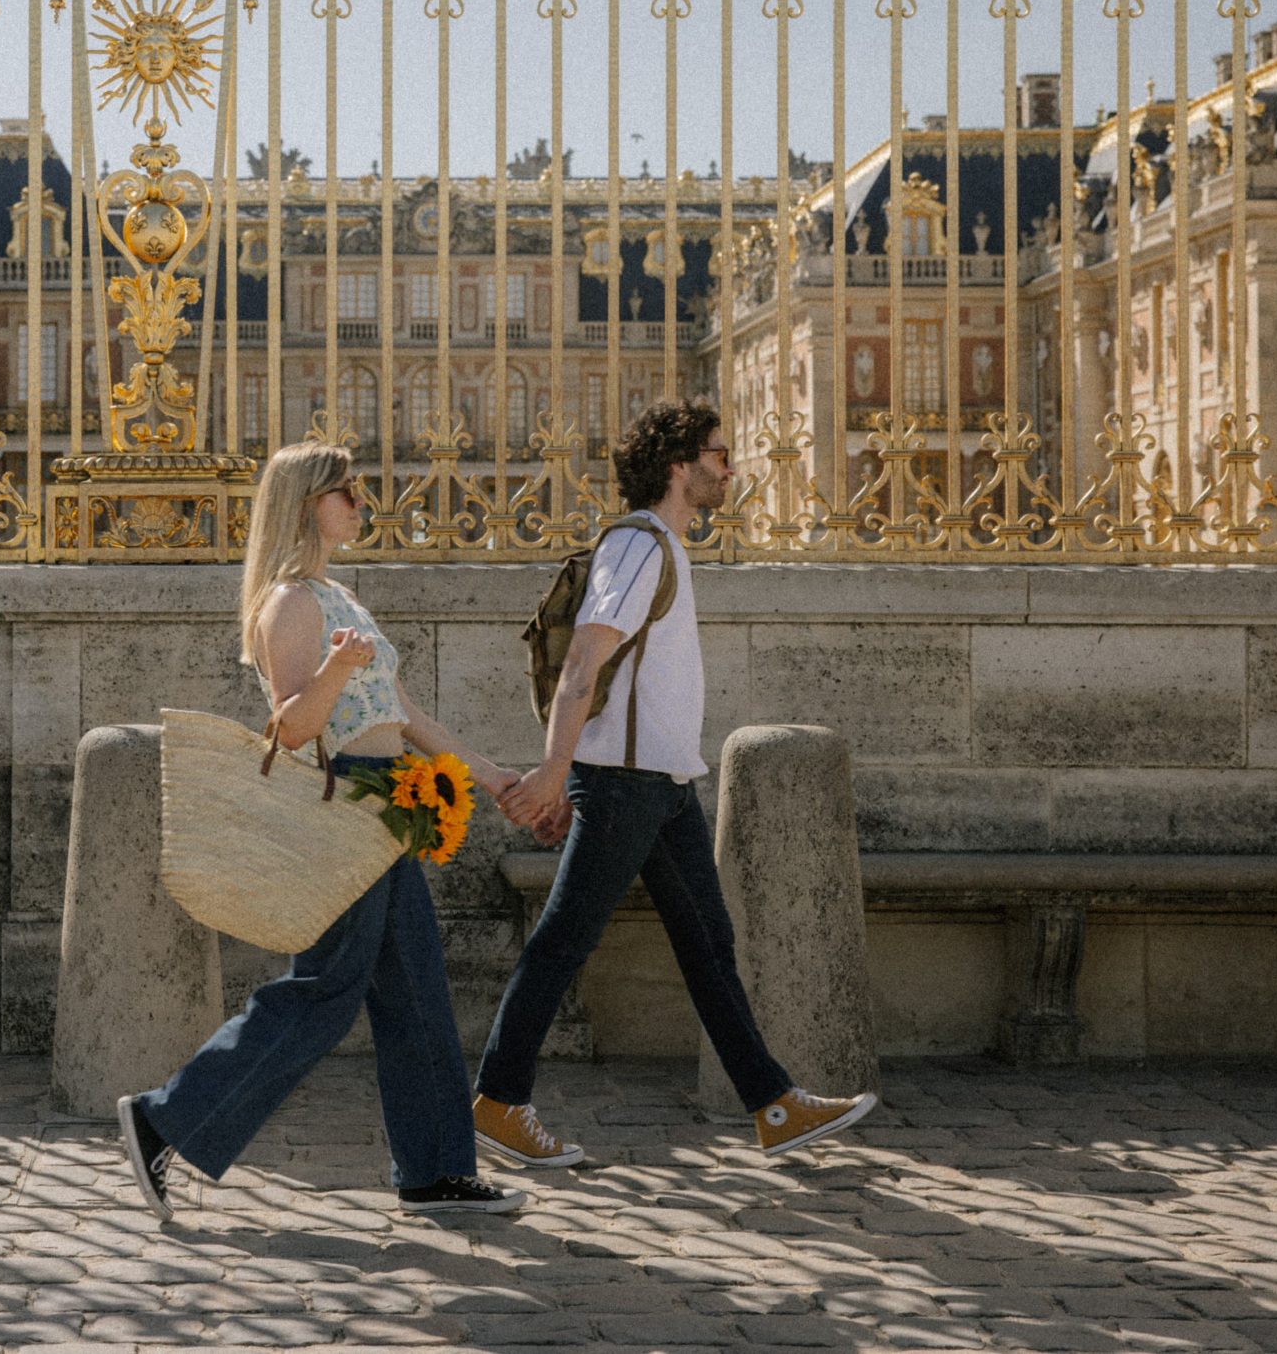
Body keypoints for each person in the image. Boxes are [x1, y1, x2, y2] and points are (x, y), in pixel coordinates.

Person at [119, 442, 532, 1222]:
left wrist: (494, 774)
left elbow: (407, 718)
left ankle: (436, 1171)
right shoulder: (289, 604)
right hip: (344, 809)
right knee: (322, 992)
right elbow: (292, 725)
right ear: (309, 499)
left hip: (389, 809)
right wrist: (337, 671)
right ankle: (164, 1118)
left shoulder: (339, 596)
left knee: (415, 994)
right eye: (348, 489)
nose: (361, 500)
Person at [477, 401, 877, 1168]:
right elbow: (582, 662)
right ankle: (498, 1100)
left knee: (708, 943)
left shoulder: (663, 548)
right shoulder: (638, 547)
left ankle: (773, 1105)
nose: (731, 468)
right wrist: (557, 771)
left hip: (661, 782)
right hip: (623, 781)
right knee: (564, 941)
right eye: (719, 455)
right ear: (677, 464)